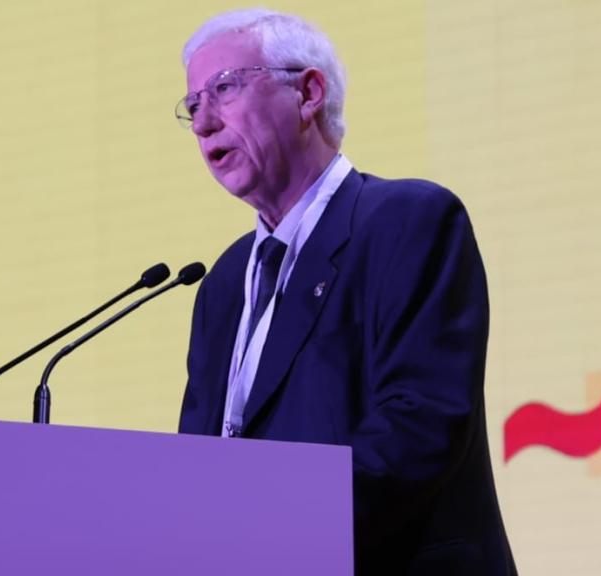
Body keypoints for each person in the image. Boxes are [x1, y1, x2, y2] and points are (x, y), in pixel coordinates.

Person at [175, 9, 516, 575]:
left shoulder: (408, 221)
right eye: (192, 105)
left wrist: (270, 531)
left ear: (308, 93)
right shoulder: (223, 284)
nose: (203, 123)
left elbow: (418, 426)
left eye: (224, 89)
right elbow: (199, 467)